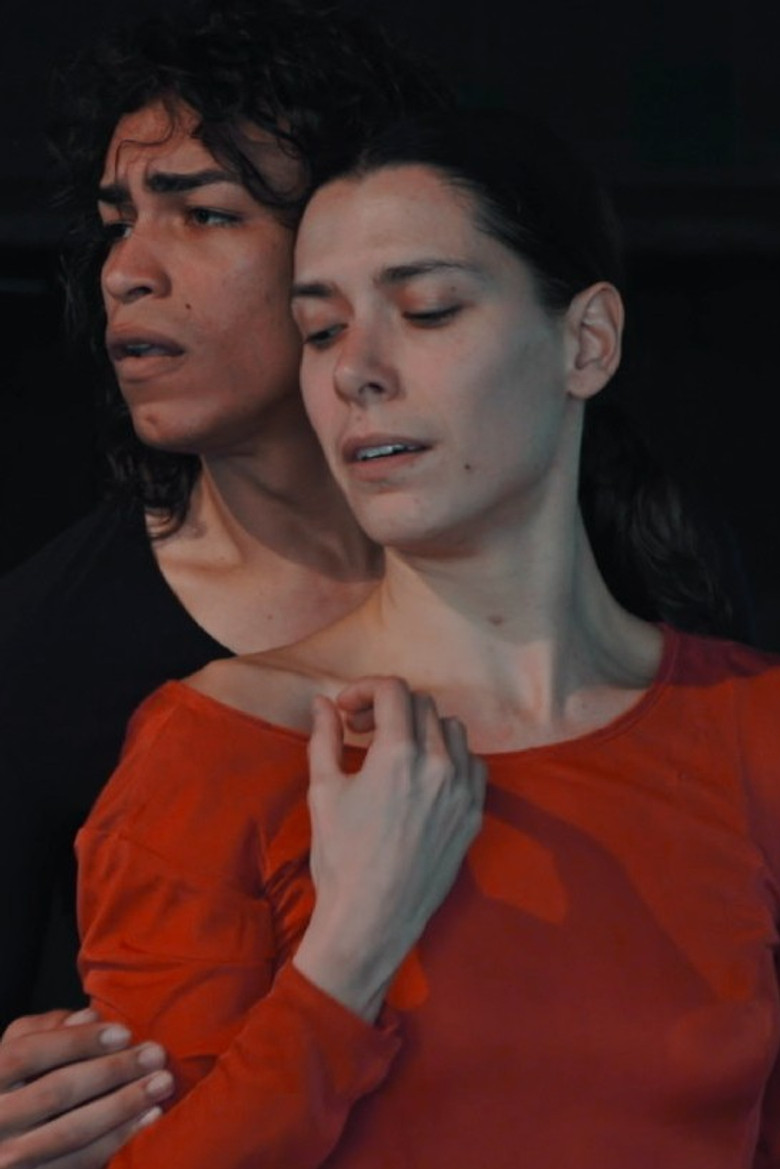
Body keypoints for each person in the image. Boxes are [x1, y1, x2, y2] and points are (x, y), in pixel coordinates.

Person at [72, 109, 780, 1168]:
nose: (355, 369)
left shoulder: (751, 727)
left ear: (587, 341)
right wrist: (352, 946)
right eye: (320, 330)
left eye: (427, 310)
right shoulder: (216, 750)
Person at [0, 0, 445, 1161]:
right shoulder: (39, 650)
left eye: (202, 213)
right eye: (117, 223)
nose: (127, 272)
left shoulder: (584, 578)